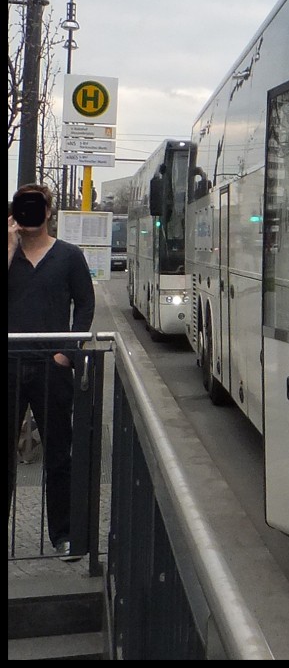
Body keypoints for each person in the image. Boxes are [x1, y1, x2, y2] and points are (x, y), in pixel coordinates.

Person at [8, 183, 95, 561]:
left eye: (35, 208)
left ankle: (65, 534)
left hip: (51, 366)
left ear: (47, 212)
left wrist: (68, 353)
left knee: (59, 452)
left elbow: (86, 306)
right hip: (10, 364)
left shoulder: (69, 256)